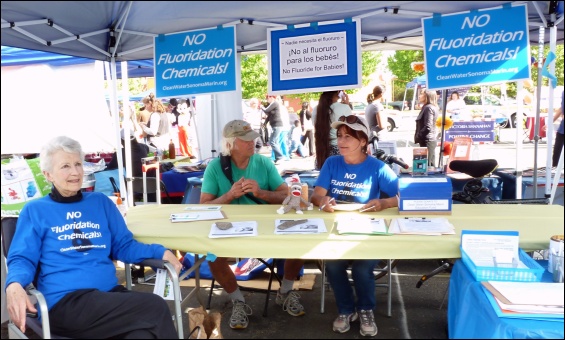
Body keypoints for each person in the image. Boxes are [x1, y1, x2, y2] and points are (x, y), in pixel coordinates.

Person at [5, 136, 182, 338]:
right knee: (155, 306)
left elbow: (124, 246)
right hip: (66, 304)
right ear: (48, 175)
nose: (75, 172)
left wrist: (160, 252)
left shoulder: (100, 202)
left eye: (78, 164)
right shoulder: (35, 210)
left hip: (108, 296)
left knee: (142, 335)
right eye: (65, 166)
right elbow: (22, 258)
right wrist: (14, 284)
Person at [199, 120, 306, 329]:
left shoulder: (263, 163)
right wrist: (230, 195)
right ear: (230, 144)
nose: (253, 142)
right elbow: (203, 205)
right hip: (231, 230)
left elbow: (287, 195)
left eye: (253, 137)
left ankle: (285, 291)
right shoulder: (215, 167)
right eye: (246, 139)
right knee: (212, 257)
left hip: (266, 227)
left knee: (301, 244)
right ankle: (238, 300)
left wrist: (260, 193)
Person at [310, 115, 399, 337]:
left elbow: (405, 196)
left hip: (368, 230)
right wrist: (323, 201)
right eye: (339, 136)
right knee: (332, 266)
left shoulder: (377, 167)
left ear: (363, 141)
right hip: (337, 229)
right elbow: (316, 195)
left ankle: (366, 309)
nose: (341, 141)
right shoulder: (332, 163)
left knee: (361, 268)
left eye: (348, 136)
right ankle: (346, 310)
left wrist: (384, 203)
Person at [313, 90, 352, 170]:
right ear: (338, 92)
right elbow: (350, 128)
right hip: (340, 150)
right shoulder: (344, 107)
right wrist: (347, 105)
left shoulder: (316, 109)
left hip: (321, 152)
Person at [414, 89, 439, 167]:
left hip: (427, 140)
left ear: (427, 96)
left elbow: (428, 126)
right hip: (428, 140)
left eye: (421, 94)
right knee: (428, 165)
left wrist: (419, 135)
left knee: (427, 166)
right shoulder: (428, 107)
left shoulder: (428, 108)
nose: (419, 96)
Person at [262, 94, 285, 163]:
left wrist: (261, 107)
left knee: (272, 141)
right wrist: (265, 123)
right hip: (275, 125)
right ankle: (277, 158)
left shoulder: (275, 103)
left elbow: (266, 111)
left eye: (267, 98)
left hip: (277, 125)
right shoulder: (273, 104)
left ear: (272, 97)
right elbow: (269, 115)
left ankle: (280, 157)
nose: (267, 99)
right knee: (275, 142)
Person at [544, 91, 564, 167]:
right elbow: (561, 108)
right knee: (557, 152)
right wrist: (550, 122)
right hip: (562, 129)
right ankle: (555, 169)